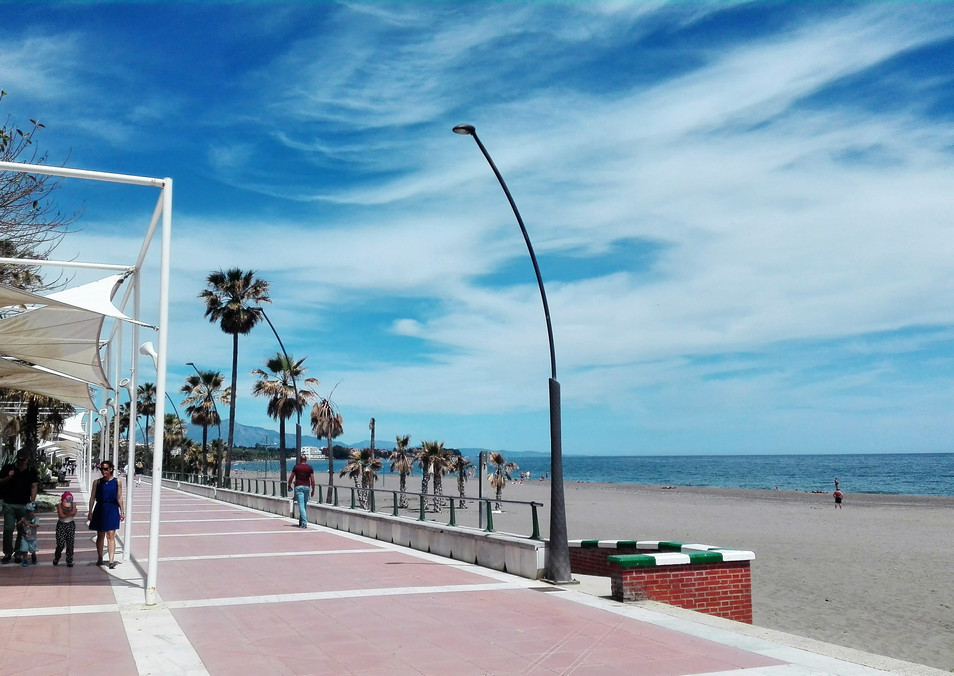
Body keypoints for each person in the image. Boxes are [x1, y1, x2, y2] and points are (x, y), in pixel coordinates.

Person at [0, 452, 38, 564]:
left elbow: (34, 486)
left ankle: (18, 553)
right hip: (9, 504)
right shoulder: (8, 468)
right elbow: (0, 481)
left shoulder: (31, 471)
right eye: (19, 460)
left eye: (23, 460)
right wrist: (8, 477)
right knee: (8, 528)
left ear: (27, 460)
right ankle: (7, 553)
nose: (21, 462)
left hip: (24, 505)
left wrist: (32, 502)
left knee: (22, 530)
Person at [88, 460, 124, 568]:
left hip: (112, 508)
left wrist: (122, 511)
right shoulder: (97, 482)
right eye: (102, 469)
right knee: (100, 535)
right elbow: (92, 497)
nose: (103, 471)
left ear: (110, 469)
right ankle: (100, 557)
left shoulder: (117, 482)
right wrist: (90, 511)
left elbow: (119, 497)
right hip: (100, 508)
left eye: (105, 469)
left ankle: (111, 560)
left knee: (111, 534)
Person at [287, 454, 315, 528]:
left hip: (299, 487)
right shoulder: (309, 468)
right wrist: (313, 489)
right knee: (304, 505)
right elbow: (312, 480)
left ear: (300, 460)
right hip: (307, 487)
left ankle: (304, 523)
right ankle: (301, 522)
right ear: (306, 460)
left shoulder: (296, 467)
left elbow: (291, 477)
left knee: (301, 505)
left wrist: (289, 485)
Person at [53, 491, 77, 567]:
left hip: (70, 525)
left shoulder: (73, 504)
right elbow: (61, 516)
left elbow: (73, 513)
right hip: (61, 525)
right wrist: (69, 513)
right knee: (60, 543)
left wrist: (66, 513)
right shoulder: (59, 505)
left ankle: (69, 560)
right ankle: (57, 557)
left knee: (70, 543)